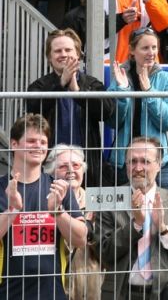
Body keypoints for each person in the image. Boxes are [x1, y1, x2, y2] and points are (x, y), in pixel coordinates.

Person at [0, 114, 87, 300]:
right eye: (31, 141)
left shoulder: (59, 188)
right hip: (8, 293)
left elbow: (81, 239)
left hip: (52, 293)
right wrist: (12, 210)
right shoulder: (2, 188)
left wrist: (58, 212)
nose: (38, 146)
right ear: (14, 144)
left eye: (43, 142)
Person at [99, 137, 168, 299]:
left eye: (145, 161)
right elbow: (103, 253)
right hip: (120, 293)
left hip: (163, 294)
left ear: (159, 164)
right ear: (126, 164)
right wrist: (136, 224)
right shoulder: (109, 199)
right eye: (132, 161)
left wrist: (164, 229)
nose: (138, 168)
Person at [26, 28, 114, 186]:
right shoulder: (39, 85)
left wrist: (77, 91)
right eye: (57, 51)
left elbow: (106, 112)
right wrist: (60, 84)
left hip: (87, 166)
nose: (63, 54)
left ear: (78, 54)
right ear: (49, 57)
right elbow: (34, 109)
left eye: (68, 50)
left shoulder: (92, 84)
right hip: (50, 166)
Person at [106, 28, 168, 189]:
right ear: (132, 50)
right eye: (145, 48)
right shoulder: (120, 78)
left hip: (161, 164)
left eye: (154, 47)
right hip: (125, 163)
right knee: (126, 206)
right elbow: (112, 121)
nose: (151, 53)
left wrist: (149, 92)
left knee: (163, 206)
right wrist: (123, 91)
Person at [47, 145, 101, 300]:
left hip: (89, 290)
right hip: (53, 289)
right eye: (63, 166)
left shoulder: (98, 203)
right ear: (51, 172)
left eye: (76, 165)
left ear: (83, 170)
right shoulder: (42, 203)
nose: (70, 170)